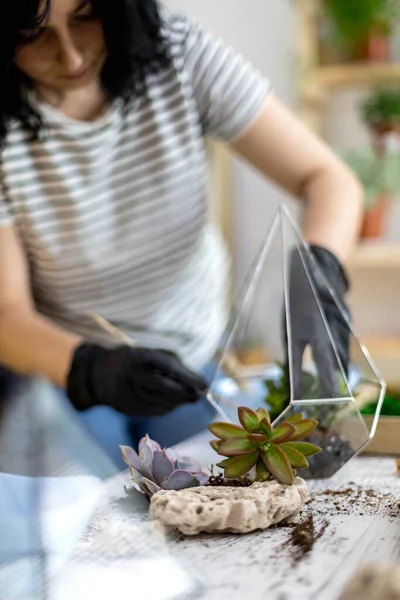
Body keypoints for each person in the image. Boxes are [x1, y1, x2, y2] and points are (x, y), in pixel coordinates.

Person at [0, 0, 363, 468]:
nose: (71, 58)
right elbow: (8, 313)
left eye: (87, 15)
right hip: (61, 369)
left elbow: (327, 177)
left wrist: (319, 276)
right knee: (82, 511)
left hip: (193, 363)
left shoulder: (179, 54)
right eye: (33, 35)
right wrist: (93, 370)